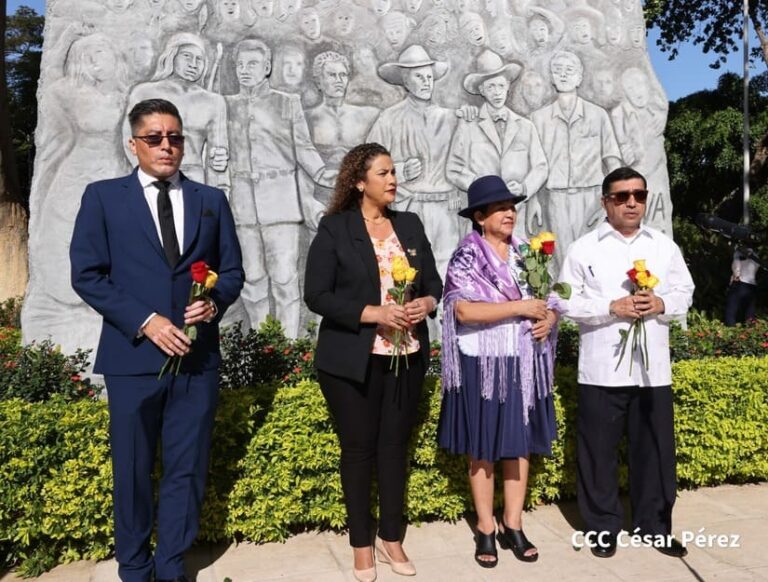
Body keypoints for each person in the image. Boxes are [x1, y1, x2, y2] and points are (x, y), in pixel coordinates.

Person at [69, 98, 245, 582]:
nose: (166, 146)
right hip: (132, 359)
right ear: (134, 145)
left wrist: (213, 304)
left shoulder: (211, 201)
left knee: (186, 469)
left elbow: (231, 271)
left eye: (175, 137)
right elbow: (87, 275)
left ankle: (171, 567)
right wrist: (146, 320)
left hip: (196, 359)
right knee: (132, 469)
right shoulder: (103, 197)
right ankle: (134, 566)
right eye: (155, 138)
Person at [304, 142, 443, 582]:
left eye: (394, 172)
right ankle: (361, 545)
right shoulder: (335, 228)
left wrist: (425, 301)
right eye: (383, 173)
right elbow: (317, 295)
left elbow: (434, 283)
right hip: (351, 361)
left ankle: (391, 538)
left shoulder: (410, 225)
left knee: (393, 450)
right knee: (359, 450)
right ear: (359, 181)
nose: (393, 179)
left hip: (406, 356)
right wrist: (375, 313)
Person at [558, 166, 694, 559]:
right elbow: (565, 302)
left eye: (638, 195)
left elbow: (685, 289)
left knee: (654, 450)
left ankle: (653, 526)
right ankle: (602, 527)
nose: (631, 202)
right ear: (605, 202)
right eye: (621, 196)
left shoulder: (663, 246)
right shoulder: (584, 248)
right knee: (598, 453)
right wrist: (610, 307)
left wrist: (663, 302)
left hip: (652, 369)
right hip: (602, 366)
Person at [437, 175, 559, 568]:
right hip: (483, 362)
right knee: (483, 447)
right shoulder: (467, 256)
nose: (510, 213)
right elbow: (463, 310)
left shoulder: (528, 251)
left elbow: (548, 299)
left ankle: (514, 522)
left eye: (512, 206)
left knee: (518, 443)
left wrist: (549, 318)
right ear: (479, 216)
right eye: (500, 208)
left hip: (522, 358)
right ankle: (486, 527)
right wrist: (520, 309)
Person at [446, 50, 548, 239]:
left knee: (515, 263)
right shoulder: (468, 126)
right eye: (491, 87)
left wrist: (525, 188)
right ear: (482, 90)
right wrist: (483, 188)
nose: (497, 92)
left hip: (514, 214)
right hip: (481, 214)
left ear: (508, 86)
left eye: (500, 86)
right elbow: (454, 169)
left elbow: (541, 167)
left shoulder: (526, 127)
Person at [724, 246, 760, 326]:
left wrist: (736, 275)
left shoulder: (739, 252)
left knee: (731, 310)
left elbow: (736, 265)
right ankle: (751, 332)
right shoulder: (756, 255)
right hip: (752, 284)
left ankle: (730, 330)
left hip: (740, 282)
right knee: (749, 311)